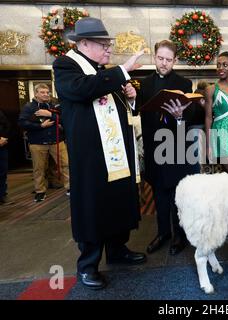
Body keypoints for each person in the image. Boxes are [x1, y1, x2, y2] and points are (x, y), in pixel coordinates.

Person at [53, 17, 148, 290]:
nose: (108, 49)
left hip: (115, 154)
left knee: (117, 200)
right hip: (91, 157)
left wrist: (129, 96)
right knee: (93, 207)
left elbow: (119, 108)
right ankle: (88, 265)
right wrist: (123, 70)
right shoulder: (66, 66)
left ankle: (117, 250)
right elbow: (82, 90)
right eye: (103, 44)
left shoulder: (101, 71)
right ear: (83, 43)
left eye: (109, 44)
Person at [138, 40, 202, 256]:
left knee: (176, 194)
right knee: (159, 193)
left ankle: (179, 236)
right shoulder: (144, 84)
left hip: (175, 146)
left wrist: (180, 116)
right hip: (153, 147)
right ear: (154, 57)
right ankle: (163, 233)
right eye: (160, 58)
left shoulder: (183, 84)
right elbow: (139, 112)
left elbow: (191, 116)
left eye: (168, 60)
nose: (163, 63)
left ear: (175, 61)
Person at [18, 83, 70, 202]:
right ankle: (40, 191)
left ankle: (70, 188)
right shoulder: (29, 107)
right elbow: (22, 123)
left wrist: (50, 115)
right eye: (42, 92)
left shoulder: (55, 106)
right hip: (38, 143)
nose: (46, 94)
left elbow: (65, 119)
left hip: (57, 141)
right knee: (39, 168)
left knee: (66, 165)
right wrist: (40, 125)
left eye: (47, 92)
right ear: (36, 93)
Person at [0, 110, 11, 205]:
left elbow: (6, 125)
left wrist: (3, 137)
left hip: (2, 145)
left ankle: (2, 195)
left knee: (2, 172)